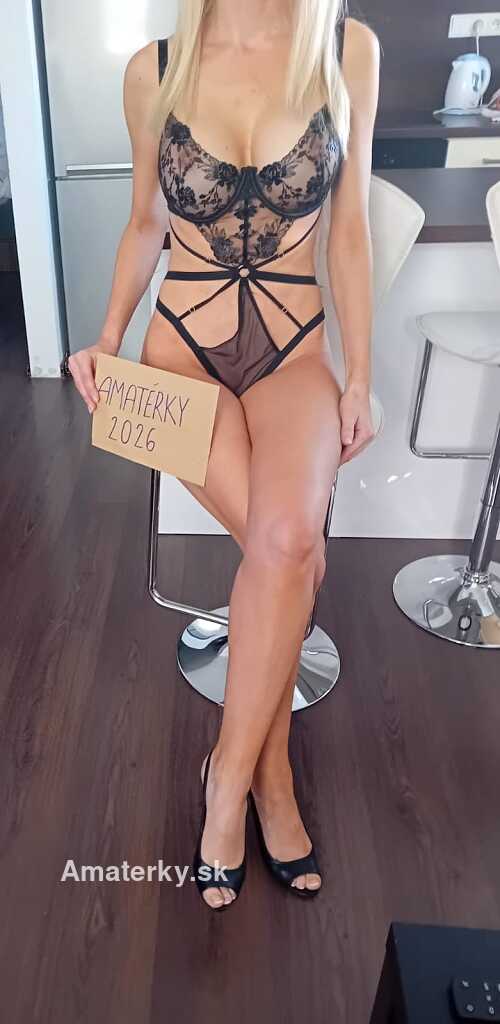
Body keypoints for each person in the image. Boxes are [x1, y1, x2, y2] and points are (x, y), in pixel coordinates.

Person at [68, 0, 380, 910]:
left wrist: (360, 377)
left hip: (296, 353)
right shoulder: (155, 67)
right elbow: (145, 225)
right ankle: (266, 782)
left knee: (287, 546)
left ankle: (230, 776)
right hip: (176, 355)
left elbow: (348, 230)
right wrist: (106, 337)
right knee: (291, 556)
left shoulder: (346, 49)